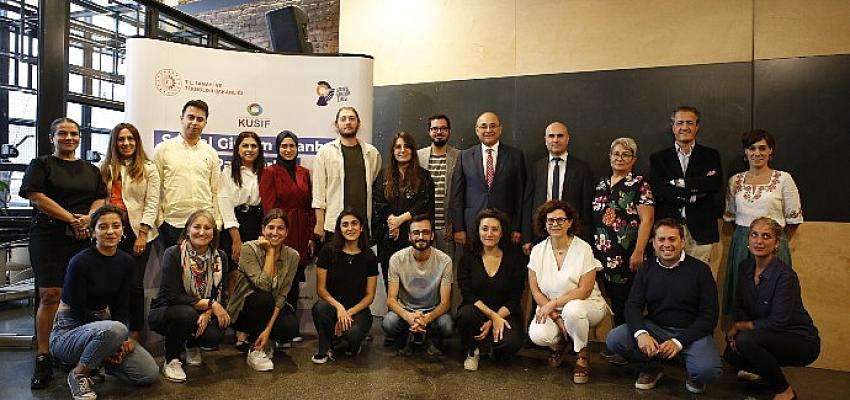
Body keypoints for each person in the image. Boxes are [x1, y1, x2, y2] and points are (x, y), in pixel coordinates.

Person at [20, 117, 107, 389]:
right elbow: (36, 196)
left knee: (81, 296)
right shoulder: (41, 165)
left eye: (73, 134)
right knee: (50, 295)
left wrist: (88, 218)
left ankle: (74, 352)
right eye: (62, 134)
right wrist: (71, 219)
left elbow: (100, 198)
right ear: (52, 138)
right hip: (49, 237)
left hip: (82, 237)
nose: (69, 138)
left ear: (79, 137)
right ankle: (43, 356)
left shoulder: (90, 169)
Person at [50, 205, 159, 399]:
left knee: (148, 373)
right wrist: (112, 342)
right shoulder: (79, 262)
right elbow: (77, 311)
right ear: (93, 232)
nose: (110, 231)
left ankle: (98, 364)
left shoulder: (126, 262)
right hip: (69, 331)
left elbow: (122, 305)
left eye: (116, 226)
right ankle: (79, 374)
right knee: (116, 329)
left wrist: (123, 340)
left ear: (123, 230)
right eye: (103, 227)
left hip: (106, 329)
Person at [605, 219, 722, 394]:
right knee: (615, 339)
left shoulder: (701, 270)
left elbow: (709, 316)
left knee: (707, 371)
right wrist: (641, 333)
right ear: (653, 243)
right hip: (656, 329)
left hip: (691, 332)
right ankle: (651, 367)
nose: (666, 244)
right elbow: (632, 306)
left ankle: (694, 373)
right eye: (661, 239)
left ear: (682, 242)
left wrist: (679, 342)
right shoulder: (646, 268)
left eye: (672, 239)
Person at [724, 217, 819, 400]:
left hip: (799, 340)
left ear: (776, 243)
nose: (759, 241)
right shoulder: (745, 267)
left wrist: (740, 328)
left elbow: (778, 322)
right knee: (731, 352)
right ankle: (762, 374)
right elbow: (740, 305)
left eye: (766, 236)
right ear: (748, 239)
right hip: (767, 333)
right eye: (754, 235)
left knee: (745, 341)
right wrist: (737, 331)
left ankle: (785, 391)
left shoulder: (785, 276)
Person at [527, 201, 608, 383]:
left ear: (570, 222)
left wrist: (553, 304)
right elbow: (535, 290)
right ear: (544, 223)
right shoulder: (537, 250)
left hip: (586, 306)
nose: (555, 224)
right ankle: (563, 341)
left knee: (573, 310)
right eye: (550, 220)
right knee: (539, 335)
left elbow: (585, 290)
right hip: (553, 310)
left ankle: (582, 355)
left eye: (561, 220)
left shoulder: (583, 248)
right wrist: (555, 316)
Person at [723, 129, 802, 314]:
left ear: (770, 151)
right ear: (745, 152)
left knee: (775, 295)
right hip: (742, 243)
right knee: (744, 296)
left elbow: (793, 220)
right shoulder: (735, 181)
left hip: (773, 245)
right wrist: (747, 237)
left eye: (762, 148)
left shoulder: (783, 179)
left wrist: (775, 240)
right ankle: (742, 330)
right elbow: (731, 217)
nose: (757, 153)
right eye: (752, 148)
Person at [148, 210, 230, 383]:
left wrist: (209, 311)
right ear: (187, 230)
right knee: (186, 314)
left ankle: (192, 345)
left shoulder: (220, 257)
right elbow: (173, 296)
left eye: (207, 228)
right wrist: (211, 304)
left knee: (214, 335)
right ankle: (171, 358)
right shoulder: (173, 253)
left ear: (213, 232)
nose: (202, 232)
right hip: (168, 309)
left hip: (202, 309)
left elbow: (220, 292)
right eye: (197, 227)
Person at [592, 137, 654, 354]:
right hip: (602, 255)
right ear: (609, 157)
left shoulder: (639, 184)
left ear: (633, 159)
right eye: (616, 154)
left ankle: (628, 348)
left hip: (627, 255)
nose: (620, 158)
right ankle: (617, 345)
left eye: (625, 155)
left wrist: (638, 251)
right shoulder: (601, 183)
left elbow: (647, 220)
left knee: (627, 302)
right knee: (613, 300)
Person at [101, 122, 161, 342]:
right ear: (114, 143)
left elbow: (152, 202)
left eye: (130, 139)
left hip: (138, 232)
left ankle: (135, 333)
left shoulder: (148, 168)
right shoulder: (105, 167)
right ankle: (114, 330)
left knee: (134, 285)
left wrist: (143, 234)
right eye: (121, 139)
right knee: (112, 284)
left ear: (137, 142)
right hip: (110, 232)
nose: (126, 143)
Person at [227, 209, 300, 372]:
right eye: (270, 227)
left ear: (287, 232)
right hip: (245, 311)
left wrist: (268, 330)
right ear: (263, 229)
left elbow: (282, 295)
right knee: (263, 298)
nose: (275, 232)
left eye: (280, 228)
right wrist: (270, 252)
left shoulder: (293, 256)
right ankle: (255, 350)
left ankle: (265, 339)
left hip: (271, 307)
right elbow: (264, 285)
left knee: (290, 327)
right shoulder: (249, 249)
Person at [260, 130, 316, 342]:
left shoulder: (304, 172)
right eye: (284, 146)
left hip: (302, 231)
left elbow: (310, 205)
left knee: (294, 277)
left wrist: (311, 235)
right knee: (280, 279)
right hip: (281, 232)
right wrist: (275, 233)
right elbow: (268, 208)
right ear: (278, 148)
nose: (288, 149)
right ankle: (275, 328)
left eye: (292, 145)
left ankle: (289, 328)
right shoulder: (270, 172)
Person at [649, 106, 723, 267]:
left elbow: (714, 184)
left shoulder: (711, 155)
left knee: (700, 277)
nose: (684, 127)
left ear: (697, 127)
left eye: (689, 123)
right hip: (668, 232)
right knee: (668, 277)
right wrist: (696, 190)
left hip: (701, 231)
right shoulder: (658, 159)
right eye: (680, 123)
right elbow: (660, 190)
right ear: (673, 127)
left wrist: (680, 183)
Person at [457, 209, 525, 371]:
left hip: (505, 312)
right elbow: (468, 294)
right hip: (476, 310)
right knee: (465, 316)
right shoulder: (467, 258)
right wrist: (492, 317)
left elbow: (515, 297)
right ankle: (473, 351)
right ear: (478, 231)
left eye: (495, 229)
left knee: (510, 344)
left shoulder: (514, 258)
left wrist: (496, 318)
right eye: (485, 228)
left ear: (502, 233)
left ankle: (494, 348)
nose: (489, 234)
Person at [450, 111, 527, 248]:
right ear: (477, 130)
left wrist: (517, 227)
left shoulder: (515, 156)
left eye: (493, 126)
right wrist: (459, 228)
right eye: (484, 126)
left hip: (505, 227)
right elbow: (457, 196)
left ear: (500, 129)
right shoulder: (464, 156)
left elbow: (520, 195)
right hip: (472, 227)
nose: (488, 130)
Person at [311, 209, 379, 363]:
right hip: (332, 307)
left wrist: (348, 313)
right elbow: (321, 289)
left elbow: (370, 296)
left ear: (361, 228)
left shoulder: (369, 257)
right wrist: (339, 308)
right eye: (345, 224)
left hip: (358, 310)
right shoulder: (327, 251)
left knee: (353, 335)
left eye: (354, 224)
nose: (350, 228)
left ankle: (352, 343)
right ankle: (325, 348)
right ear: (339, 229)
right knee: (320, 307)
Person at [154, 99, 222, 248]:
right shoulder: (163, 149)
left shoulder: (211, 153)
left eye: (200, 119)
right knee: (174, 263)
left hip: (204, 225)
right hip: (172, 224)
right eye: (190, 117)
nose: (195, 123)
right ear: (182, 118)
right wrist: (160, 220)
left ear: (205, 123)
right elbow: (155, 188)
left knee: (204, 263)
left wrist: (217, 222)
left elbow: (216, 190)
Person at [382, 215, 453, 356]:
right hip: (406, 310)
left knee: (447, 326)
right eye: (416, 232)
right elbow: (391, 300)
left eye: (425, 232)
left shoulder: (445, 261)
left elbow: (445, 303)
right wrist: (409, 316)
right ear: (409, 236)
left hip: (433, 311)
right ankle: (412, 333)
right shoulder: (397, 259)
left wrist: (427, 318)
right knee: (389, 323)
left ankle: (421, 334)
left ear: (432, 236)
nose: (421, 237)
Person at [373, 132, 435, 289]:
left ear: (413, 150)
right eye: (398, 147)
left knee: (413, 284)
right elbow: (378, 202)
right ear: (393, 151)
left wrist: (400, 220)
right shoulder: (383, 175)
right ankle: (393, 305)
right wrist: (392, 223)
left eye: (407, 146)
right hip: (388, 235)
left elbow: (425, 204)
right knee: (391, 282)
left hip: (414, 236)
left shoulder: (424, 176)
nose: (402, 150)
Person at [312, 106, 381, 240]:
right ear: (336, 124)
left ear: (358, 123)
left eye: (351, 118)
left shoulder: (372, 153)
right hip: (334, 225)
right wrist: (320, 223)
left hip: (362, 225)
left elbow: (373, 184)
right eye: (343, 119)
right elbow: (319, 193)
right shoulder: (325, 152)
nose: (348, 122)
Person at [523, 122, 594, 252]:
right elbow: (528, 204)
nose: (555, 140)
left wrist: (585, 238)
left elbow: (586, 207)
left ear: (568, 139)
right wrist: (527, 237)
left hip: (572, 234)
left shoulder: (581, 169)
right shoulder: (536, 167)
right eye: (551, 136)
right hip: (541, 233)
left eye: (560, 136)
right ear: (545, 140)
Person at [218, 131, 265, 272]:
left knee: (254, 271)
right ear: (238, 149)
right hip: (235, 226)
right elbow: (225, 205)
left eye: (253, 146)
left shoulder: (265, 173)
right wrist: (236, 240)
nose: (249, 149)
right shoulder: (228, 172)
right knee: (234, 271)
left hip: (256, 224)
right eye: (245, 146)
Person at [417, 115, 460, 258]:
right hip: (423, 226)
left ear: (449, 131)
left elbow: (462, 193)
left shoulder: (460, 156)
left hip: (447, 227)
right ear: (429, 131)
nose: (439, 132)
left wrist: (455, 223)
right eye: (435, 128)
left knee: (447, 266)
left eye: (443, 128)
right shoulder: (418, 156)